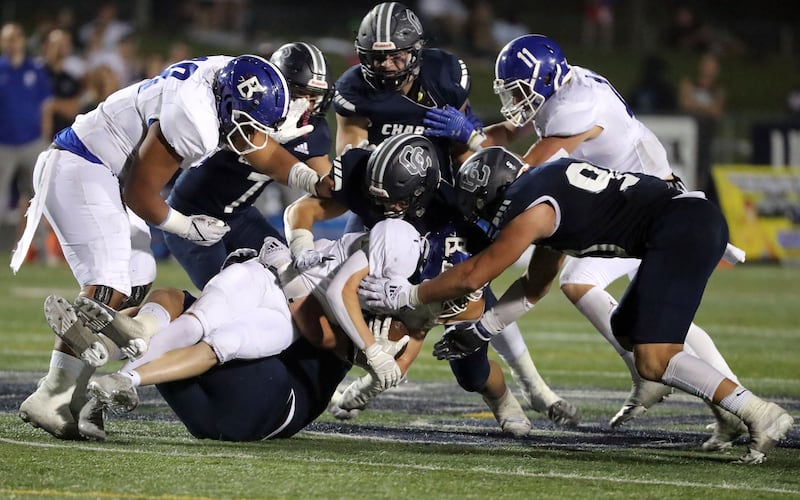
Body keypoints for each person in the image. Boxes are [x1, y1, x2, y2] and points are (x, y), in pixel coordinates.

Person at [360, 147, 795, 465]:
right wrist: (484, 328)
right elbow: (535, 286)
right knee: (628, 331)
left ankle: (759, 412)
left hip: (682, 228)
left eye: (481, 205)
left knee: (654, 356)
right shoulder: (549, 193)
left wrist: (410, 296)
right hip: (683, 223)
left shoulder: (530, 209)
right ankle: (729, 413)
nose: (482, 216)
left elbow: (475, 274)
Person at [424, 34, 745, 442]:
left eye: (520, 90)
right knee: (656, 312)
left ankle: (687, 386)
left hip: (648, 206)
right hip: (620, 204)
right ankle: (710, 396)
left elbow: (524, 173)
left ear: (544, 80)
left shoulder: (576, 104)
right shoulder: (558, 90)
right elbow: (510, 132)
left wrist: (470, 139)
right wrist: (472, 133)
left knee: (582, 283)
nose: (515, 100)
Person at [14, 54, 331, 441]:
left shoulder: (230, 74)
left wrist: (308, 178)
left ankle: (96, 353)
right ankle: (56, 393)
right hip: (84, 165)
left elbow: (257, 145)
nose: (253, 135)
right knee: (110, 283)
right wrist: (186, 226)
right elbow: (141, 195)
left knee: (138, 277)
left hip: (105, 170)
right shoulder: (194, 118)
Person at [332, 2, 576, 425]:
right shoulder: (354, 89)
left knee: (470, 306)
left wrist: (471, 143)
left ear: (416, 51)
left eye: (396, 55)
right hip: (385, 207)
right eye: (378, 57)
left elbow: (468, 157)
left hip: (443, 202)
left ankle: (527, 388)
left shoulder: (443, 77)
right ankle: (356, 377)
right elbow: (348, 156)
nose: (388, 66)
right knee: (362, 296)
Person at [164, 42, 335, 289]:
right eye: (299, 93)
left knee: (290, 282)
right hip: (191, 215)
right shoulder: (247, 110)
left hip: (240, 217)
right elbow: (266, 156)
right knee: (224, 295)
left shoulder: (312, 129)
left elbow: (326, 182)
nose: (307, 104)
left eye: (314, 96)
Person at [0, 23, 52, 246]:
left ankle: (40, 250)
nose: (13, 42)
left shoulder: (35, 70)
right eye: (8, 38)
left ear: (22, 40)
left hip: (33, 142)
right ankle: (2, 247)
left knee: (38, 198)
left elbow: (46, 107)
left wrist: (45, 140)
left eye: (16, 37)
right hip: (3, 143)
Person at [678, 51, 725, 204]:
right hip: (689, 135)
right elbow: (685, 103)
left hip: (706, 136)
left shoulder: (717, 89)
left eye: (712, 66)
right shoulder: (689, 83)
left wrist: (697, 106)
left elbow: (716, 111)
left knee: (701, 173)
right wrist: (706, 108)